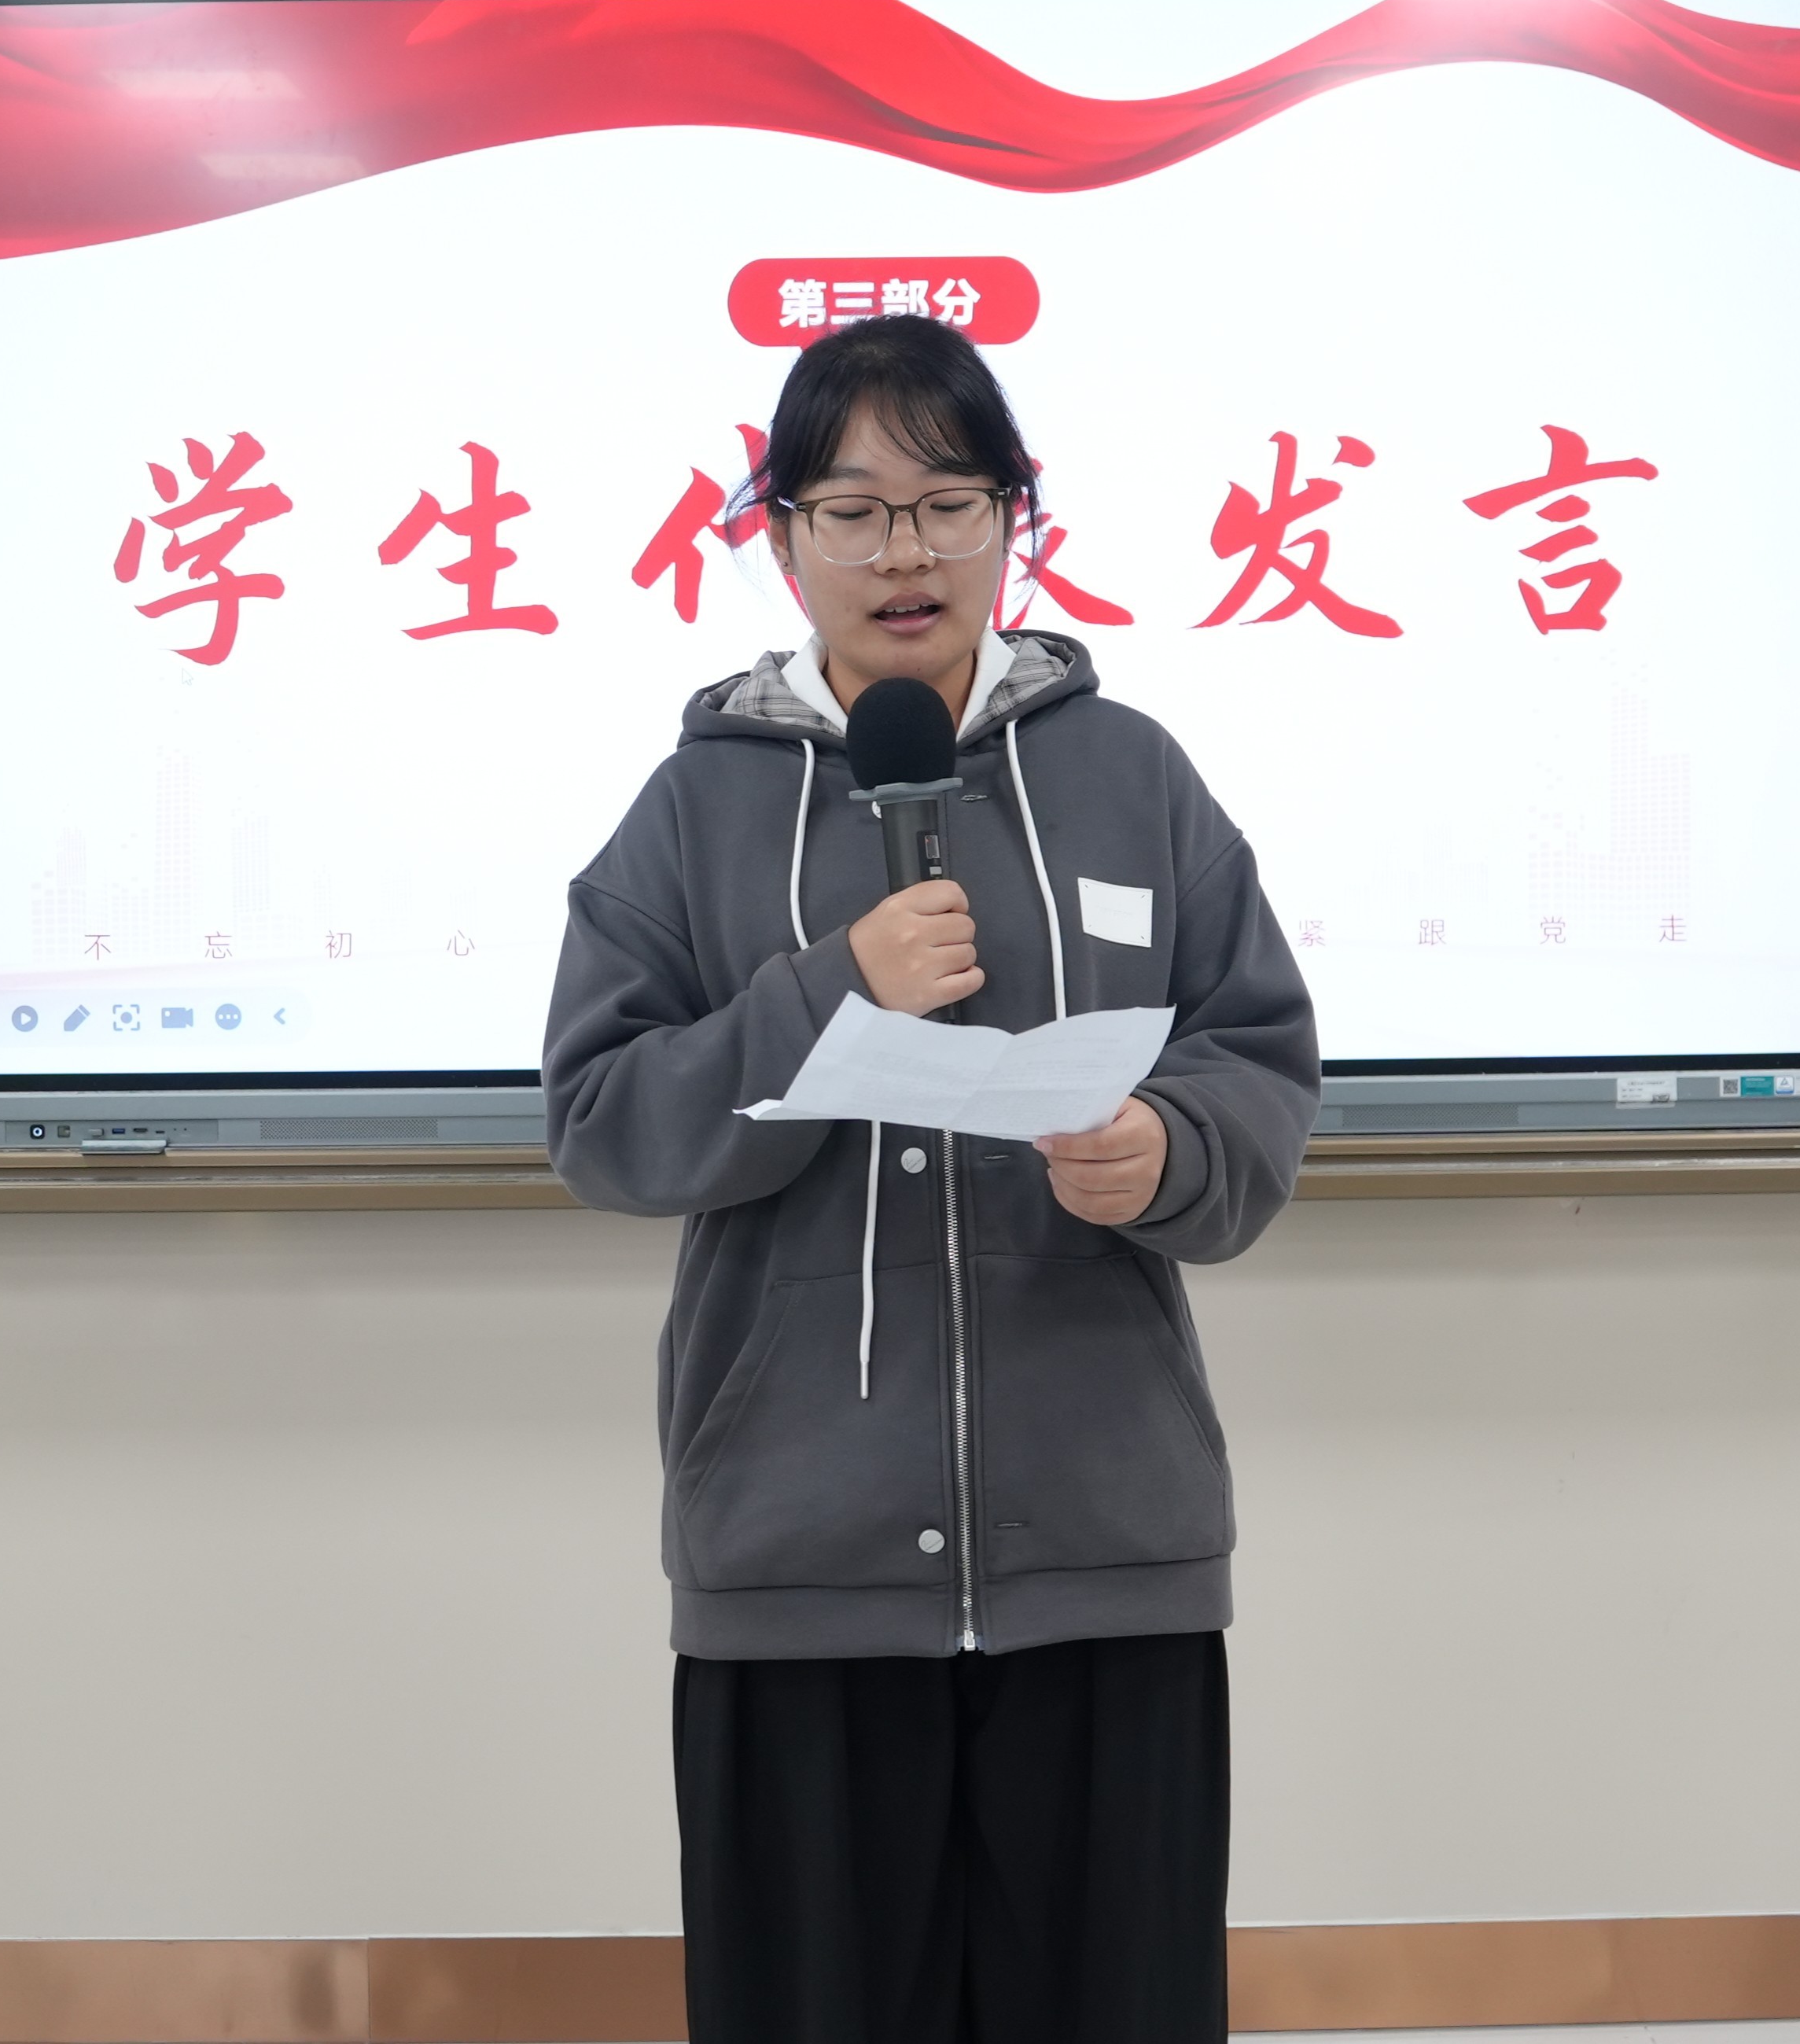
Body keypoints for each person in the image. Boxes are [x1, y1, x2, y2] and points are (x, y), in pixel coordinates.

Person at [543, 315, 1322, 2044]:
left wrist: (1171, 1150)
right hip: (798, 1566)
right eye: (853, 510)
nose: (904, 553)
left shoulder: (1132, 777)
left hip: (1105, 1552)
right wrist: (835, 989)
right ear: (783, 539)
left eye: (949, 502)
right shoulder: (694, 808)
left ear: (1012, 520)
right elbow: (602, 1117)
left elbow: (1259, 1060)